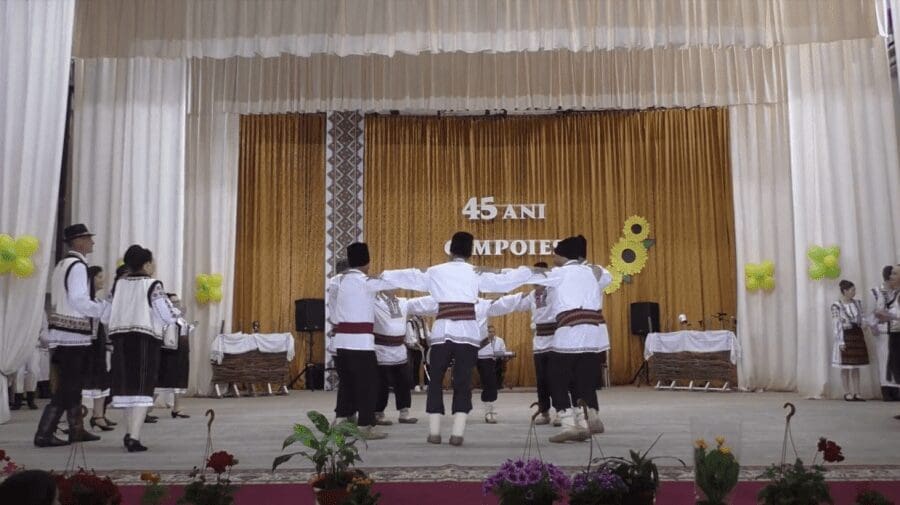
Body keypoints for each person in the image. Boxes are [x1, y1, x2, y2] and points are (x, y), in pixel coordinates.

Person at [381, 231, 534, 446]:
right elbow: (504, 282)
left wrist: (383, 276)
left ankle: (434, 432)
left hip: (441, 333)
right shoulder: (476, 272)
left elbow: (410, 275)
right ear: (470, 252)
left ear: (450, 251)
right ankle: (457, 433)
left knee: (435, 381)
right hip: (467, 335)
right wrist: (528, 271)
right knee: (463, 381)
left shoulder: (436, 271)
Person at [530, 235, 612, 443]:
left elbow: (524, 277)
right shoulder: (596, 271)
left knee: (555, 376)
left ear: (563, 256)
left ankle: (568, 423)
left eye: (555, 254)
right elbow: (606, 278)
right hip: (595, 332)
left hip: (571, 330)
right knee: (582, 379)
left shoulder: (558, 273)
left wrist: (486, 274)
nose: (553, 258)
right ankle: (585, 422)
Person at [35, 224, 106, 447]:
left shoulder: (62, 264)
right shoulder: (77, 266)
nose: (92, 242)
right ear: (78, 242)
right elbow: (78, 299)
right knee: (69, 384)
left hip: (62, 330)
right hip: (72, 333)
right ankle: (44, 432)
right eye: (88, 238)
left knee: (73, 383)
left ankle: (76, 428)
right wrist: (102, 309)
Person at [106, 245, 180, 452]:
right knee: (142, 387)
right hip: (144, 339)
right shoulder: (152, 284)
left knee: (127, 387)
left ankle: (129, 432)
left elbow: (107, 311)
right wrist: (178, 314)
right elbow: (165, 314)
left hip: (120, 338)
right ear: (146, 264)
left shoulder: (119, 284)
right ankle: (134, 436)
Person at [326, 243, 395, 440]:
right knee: (368, 384)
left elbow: (333, 314)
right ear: (367, 262)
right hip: (361, 343)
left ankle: (342, 421)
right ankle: (365, 425)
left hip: (341, 341)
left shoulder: (337, 281)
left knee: (347, 382)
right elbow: (394, 285)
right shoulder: (368, 281)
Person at [373, 290, 418, 425]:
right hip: (381, 349)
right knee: (381, 384)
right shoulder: (374, 302)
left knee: (404, 382)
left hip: (399, 349)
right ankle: (378, 413)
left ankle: (404, 413)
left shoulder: (402, 302)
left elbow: (423, 304)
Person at [80, 266, 115, 431]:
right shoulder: (82, 302)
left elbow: (106, 320)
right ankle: (74, 419)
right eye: (99, 277)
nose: (102, 280)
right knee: (81, 381)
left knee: (101, 380)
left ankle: (98, 416)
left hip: (98, 345)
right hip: (84, 345)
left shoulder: (100, 302)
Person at [154, 293, 192, 419]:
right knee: (162, 381)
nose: (177, 304)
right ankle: (146, 410)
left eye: (178, 301)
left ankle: (177, 408)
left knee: (179, 380)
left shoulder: (181, 318)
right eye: (174, 302)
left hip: (181, 350)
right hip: (169, 352)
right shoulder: (165, 316)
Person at [830, 280, 869, 401]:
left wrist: (864, 323)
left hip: (857, 334)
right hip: (845, 335)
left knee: (856, 366)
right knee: (846, 366)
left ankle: (857, 392)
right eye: (852, 290)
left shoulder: (857, 303)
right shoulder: (836, 305)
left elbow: (862, 317)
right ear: (845, 291)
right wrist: (840, 341)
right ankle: (847, 392)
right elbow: (836, 324)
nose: (854, 292)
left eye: (854, 290)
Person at [872, 264, 900, 402]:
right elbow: (875, 311)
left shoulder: (896, 293)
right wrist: (876, 322)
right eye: (891, 274)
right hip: (886, 332)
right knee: (887, 361)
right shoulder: (879, 292)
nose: (891, 277)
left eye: (895, 274)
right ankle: (887, 390)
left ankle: (894, 390)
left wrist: (888, 315)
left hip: (896, 330)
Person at [477, 324, 508, 424]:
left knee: (494, 388)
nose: (491, 333)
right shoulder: (482, 341)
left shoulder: (500, 340)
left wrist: (502, 355)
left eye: (493, 331)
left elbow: (503, 351)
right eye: (489, 332)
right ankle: (488, 412)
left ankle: (491, 409)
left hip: (497, 364)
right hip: (484, 362)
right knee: (487, 386)